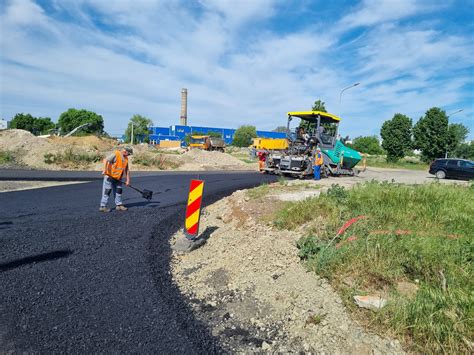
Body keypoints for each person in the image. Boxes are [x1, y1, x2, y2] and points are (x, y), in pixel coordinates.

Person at [99, 146, 133, 212]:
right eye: (129, 154)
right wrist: (104, 169)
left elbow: (127, 170)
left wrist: (128, 180)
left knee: (119, 191)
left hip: (118, 178)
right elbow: (105, 160)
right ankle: (103, 206)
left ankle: (119, 205)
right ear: (125, 151)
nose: (129, 155)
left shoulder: (126, 159)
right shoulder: (116, 154)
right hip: (109, 176)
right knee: (107, 191)